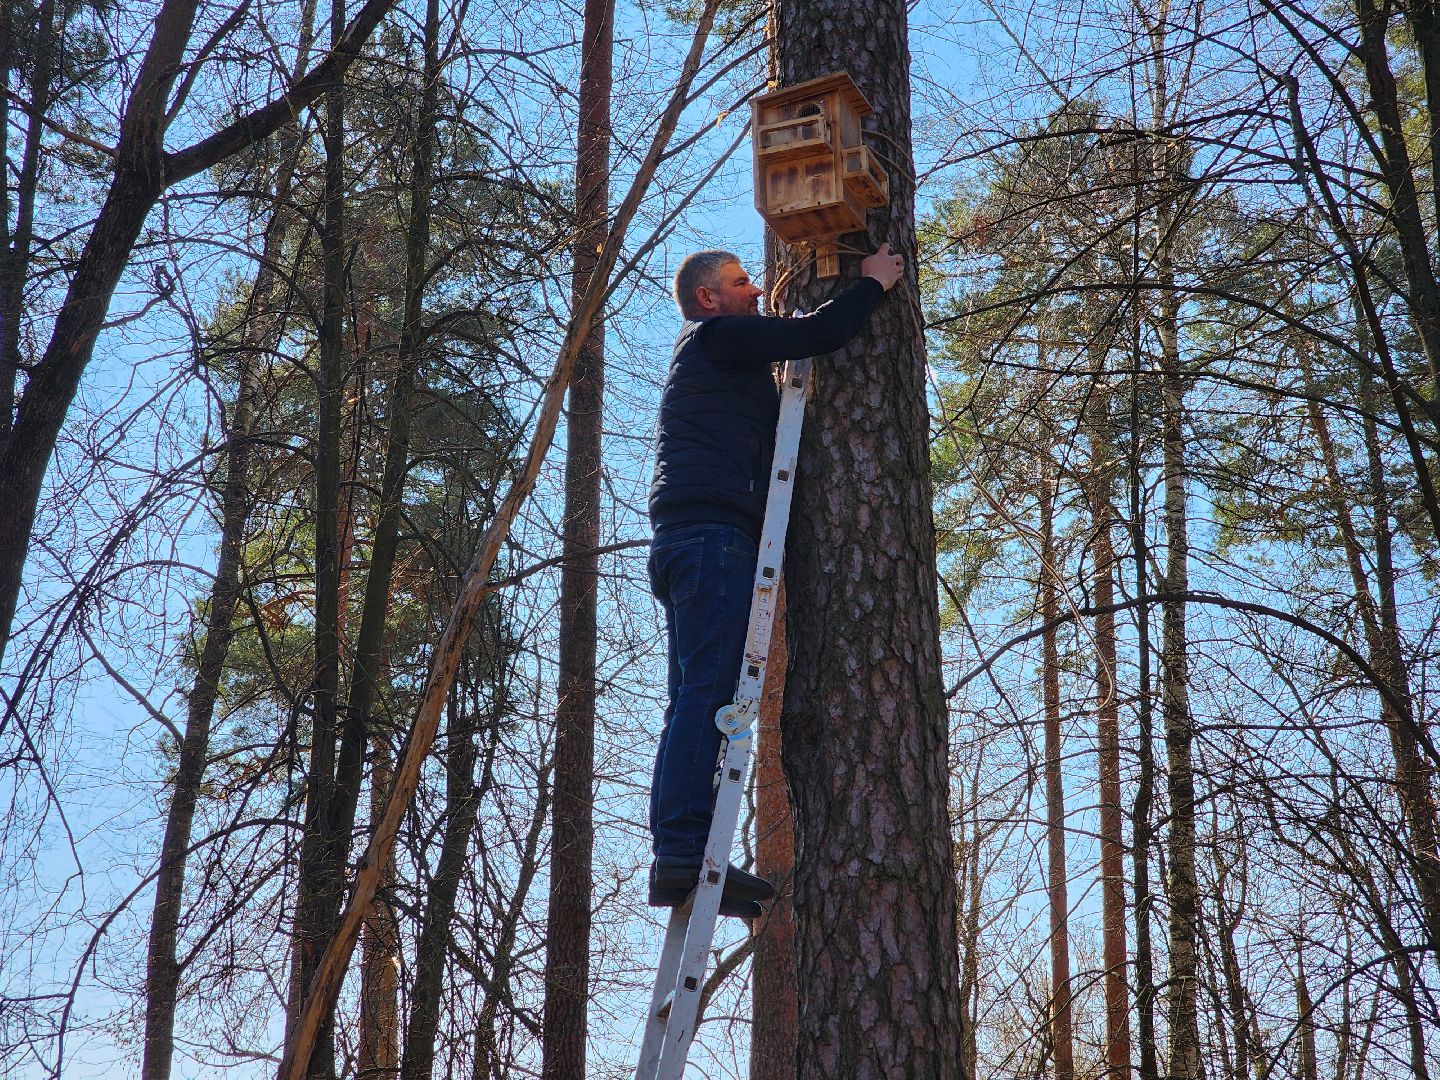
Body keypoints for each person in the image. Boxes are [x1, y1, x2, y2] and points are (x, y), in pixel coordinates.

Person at [646, 243, 905, 918]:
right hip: (710, 541)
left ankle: (684, 853)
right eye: (740, 283)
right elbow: (817, 335)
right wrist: (873, 284)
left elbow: (785, 336)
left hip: (691, 541)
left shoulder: (719, 357)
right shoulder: (720, 339)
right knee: (705, 695)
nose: (755, 292)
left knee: (694, 698)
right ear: (709, 298)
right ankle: (680, 853)